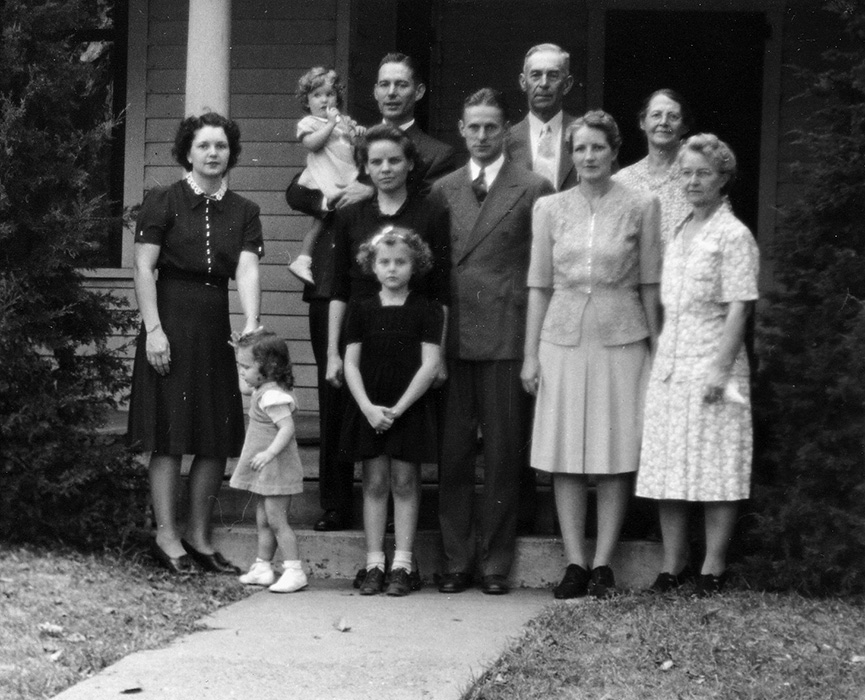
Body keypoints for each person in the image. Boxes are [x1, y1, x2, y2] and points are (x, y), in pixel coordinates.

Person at [300, 53, 457, 534]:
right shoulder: (351, 152)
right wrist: (333, 352)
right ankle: (341, 508)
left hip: (410, 323)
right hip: (358, 320)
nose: (391, 92)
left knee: (402, 421)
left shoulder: (433, 175)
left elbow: (440, 284)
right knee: (347, 413)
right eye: (383, 84)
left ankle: (401, 532)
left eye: (401, 84)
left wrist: (440, 353)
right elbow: (302, 190)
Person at [522, 110, 661, 600]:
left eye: (598, 147)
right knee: (565, 453)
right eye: (580, 148)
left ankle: (603, 564)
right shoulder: (549, 207)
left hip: (622, 338)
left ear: (614, 151)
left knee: (613, 451)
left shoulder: (642, 205)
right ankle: (574, 562)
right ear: (571, 155)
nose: (588, 156)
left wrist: (657, 348)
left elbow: (650, 283)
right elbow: (539, 286)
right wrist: (530, 355)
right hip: (561, 338)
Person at [128, 112, 263, 575]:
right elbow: (143, 267)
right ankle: (166, 538)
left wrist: (251, 321)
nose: (212, 153)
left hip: (214, 324)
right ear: (187, 151)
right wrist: (154, 330)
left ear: (231, 153)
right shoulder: (163, 200)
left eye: (221, 146)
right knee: (168, 436)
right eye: (203, 145)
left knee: (214, 437)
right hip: (169, 318)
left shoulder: (244, 210)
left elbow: (246, 269)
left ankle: (199, 538)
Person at [432, 88, 554, 596]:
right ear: (462, 130)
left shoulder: (534, 186)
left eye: (491, 127)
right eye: (473, 127)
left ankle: (496, 562)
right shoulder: (442, 189)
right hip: (455, 336)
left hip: (506, 333)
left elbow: (543, 270)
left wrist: (532, 348)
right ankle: (456, 560)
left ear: (506, 131)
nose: (482, 136)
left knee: (504, 455)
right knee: (454, 454)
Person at [636, 134, 759, 597]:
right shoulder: (679, 230)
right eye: (685, 173)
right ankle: (674, 564)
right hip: (672, 362)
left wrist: (720, 369)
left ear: (723, 179)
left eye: (703, 173)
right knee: (669, 465)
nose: (692, 181)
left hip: (713, 362)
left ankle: (713, 566)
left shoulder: (734, 235)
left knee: (716, 465)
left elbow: (740, 308)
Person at [340, 228, 444, 596]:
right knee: (374, 483)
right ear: (373, 266)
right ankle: (374, 563)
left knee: (404, 482)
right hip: (371, 407)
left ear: (416, 265)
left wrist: (399, 409)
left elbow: (430, 364)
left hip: (407, 407)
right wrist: (367, 407)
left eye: (401, 262)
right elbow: (350, 363)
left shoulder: (427, 309)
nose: (392, 269)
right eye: (384, 262)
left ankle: (402, 564)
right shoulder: (361, 308)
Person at [231, 332, 308, 593]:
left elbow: (287, 429)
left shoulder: (273, 396)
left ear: (269, 367)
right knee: (264, 520)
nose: (242, 372)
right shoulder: (262, 388)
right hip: (267, 470)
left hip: (277, 468)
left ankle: (294, 571)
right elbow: (244, 386)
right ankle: (263, 567)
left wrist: (269, 453)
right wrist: (239, 351)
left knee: (277, 521)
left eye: (246, 366)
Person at [286, 67, 365, 286]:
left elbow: (354, 145)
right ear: (307, 101)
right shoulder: (309, 123)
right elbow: (312, 144)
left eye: (329, 94)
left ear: (337, 98)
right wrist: (330, 124)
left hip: (343, 178)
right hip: (320, 181)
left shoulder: (345, 121)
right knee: (322, 221)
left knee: (325, 223)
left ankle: (305, 260)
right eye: (317, 95)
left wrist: (357, 133)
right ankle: (303, 259)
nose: (324, 100)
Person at [615, 89, 693, 249]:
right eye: (656, 115)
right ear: (642, 122)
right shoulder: (622, 181)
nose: (663, 122)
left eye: (673, 116)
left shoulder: (696, 178)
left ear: (684, 126)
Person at [507, 43, 578, 192]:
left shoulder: (586, 135)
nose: (544, 83)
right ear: (523, 82)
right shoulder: (506, 141)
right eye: (536, 75)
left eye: (553, 75)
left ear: (567, 84)